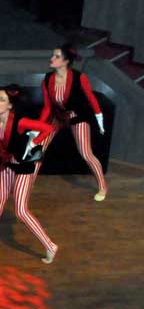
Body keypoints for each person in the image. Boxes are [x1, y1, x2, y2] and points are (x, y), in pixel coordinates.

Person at [0, 85, 58, 263]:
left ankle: (50, 245)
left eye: (1, 99)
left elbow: (48, 129)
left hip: (23, 166)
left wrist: (33, 143)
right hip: (7, 163)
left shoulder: (20, 121)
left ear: (9, 106)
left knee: (21, 210)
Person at [34, 43, 108, 201]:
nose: (52, 59)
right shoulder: (47, 79)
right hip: (57, 116)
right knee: (38, 148)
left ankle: (102, 186)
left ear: (66, 61)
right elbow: (47, 107)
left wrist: (99, 119)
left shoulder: (79, 77)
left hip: (77, 116)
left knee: (86, 153)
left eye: (57, 56)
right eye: (53, 55)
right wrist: (38, 127)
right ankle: (28, 182)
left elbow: (91, 99)